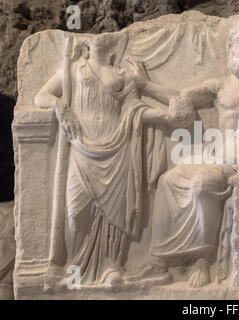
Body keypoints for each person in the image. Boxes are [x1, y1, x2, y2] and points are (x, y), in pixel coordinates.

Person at [134, 21, 239, 288]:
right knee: (168, 180)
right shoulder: (221, 86)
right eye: (232, 43)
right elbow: (181, 97)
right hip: (216, 153)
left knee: (201, 184)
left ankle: (201, 259)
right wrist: (145, 85)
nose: (234, 49)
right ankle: (159, 261)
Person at [34, 34, 179, 286]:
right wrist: (59, 105)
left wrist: (165, 116)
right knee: (76, 210)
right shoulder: (72, 70)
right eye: (95, 40)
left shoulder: (123, 75)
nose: (101, 43)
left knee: (115, 213)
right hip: (81, 147)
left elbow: (135, 109)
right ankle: (74, 267)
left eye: (108, 41)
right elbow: (40, 96)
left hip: (117, 147)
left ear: (114, 48)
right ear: (87, 45)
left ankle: (112, 267)